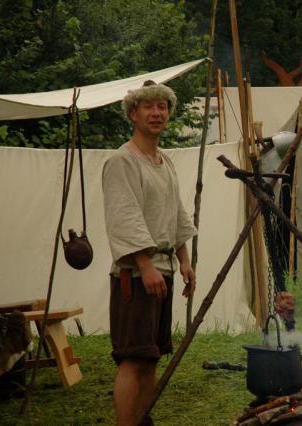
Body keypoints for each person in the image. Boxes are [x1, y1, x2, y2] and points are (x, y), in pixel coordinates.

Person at [102, 80, 197, 426]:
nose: (157, 113)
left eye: (162, 106)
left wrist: (184, 260)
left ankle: (142, 420)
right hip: (136, 275)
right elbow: (124, 216)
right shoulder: (122, 161)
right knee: (133, 357)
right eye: (148, 106)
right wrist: (145, 264)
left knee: (152, 355)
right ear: (133, 113)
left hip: (163, 271)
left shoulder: (163, 160)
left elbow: (176, 212)